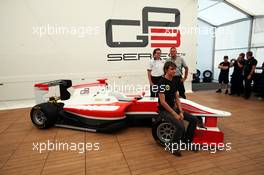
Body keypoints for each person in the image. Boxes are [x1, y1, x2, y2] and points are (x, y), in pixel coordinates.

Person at [157, 61, 198, 157]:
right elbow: (163, 102)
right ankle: (173, 146)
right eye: (172, 69)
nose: (174, 71)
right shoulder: (161, 83)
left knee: (193, 119)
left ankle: (187, 141)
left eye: (175, 69)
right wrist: (175, 114)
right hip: (163, 110)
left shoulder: (174, 81)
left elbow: (177, 98)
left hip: (173, 108)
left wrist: (180, 111)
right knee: (180, 126)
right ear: (166, 70)